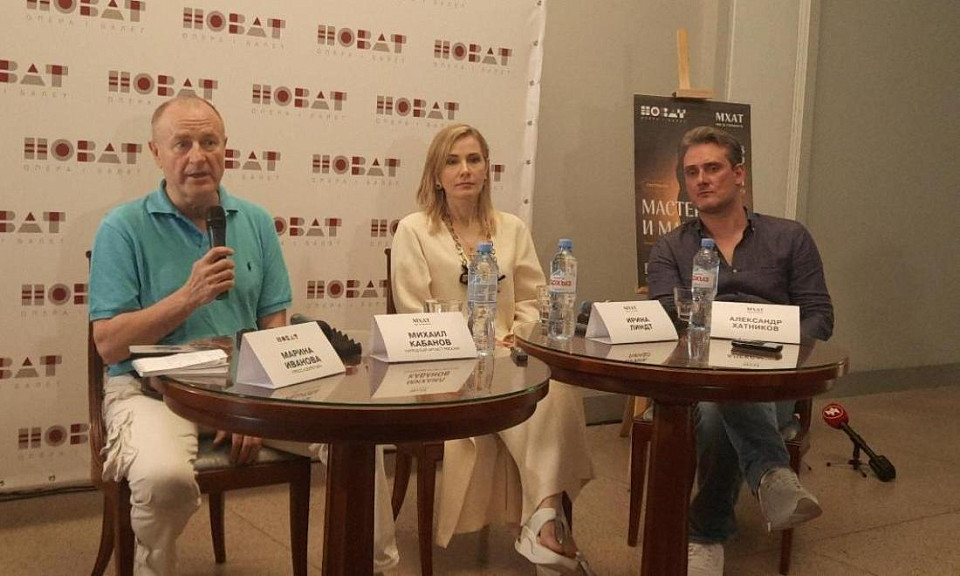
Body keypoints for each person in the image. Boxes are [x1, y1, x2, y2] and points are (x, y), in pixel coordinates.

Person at [88, 95, 399, 575]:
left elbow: (275, 322)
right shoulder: (122, 227)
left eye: (209, 142)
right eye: (182, 144)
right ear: (155, 152)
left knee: (358, 439)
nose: (198, 157)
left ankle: (373, 567)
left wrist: (251, 404)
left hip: (246, 389)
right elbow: (109, 344)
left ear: (226, 148)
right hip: (152, 393)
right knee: (164, 479)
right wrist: (188, 297)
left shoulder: (254, 221)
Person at [391, 124, 595, 575]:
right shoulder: (414, 230)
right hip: (445, 364)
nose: (464, 170)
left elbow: (533, 299)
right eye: (452, 161)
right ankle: (546, 527)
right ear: (437, 174)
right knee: (525, 396)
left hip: (508, 352)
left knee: (556, 389)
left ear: (487, 169)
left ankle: (542, 521)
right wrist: (466, 348)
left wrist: (513, 337)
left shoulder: (512, 228)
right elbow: (413, 312)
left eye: (474, 159)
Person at [646, 126, 834, 576]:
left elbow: (819, 316)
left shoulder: (790, 237)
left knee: (724, 405)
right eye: (692, 172)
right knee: (716, 404)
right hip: (696, 379)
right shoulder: (671, 247)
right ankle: (772, 477)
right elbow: (664, 320)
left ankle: (705, 534)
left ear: (739, 174)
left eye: (712, 168)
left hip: (772, 379)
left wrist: (773, 348)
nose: (701, 179)